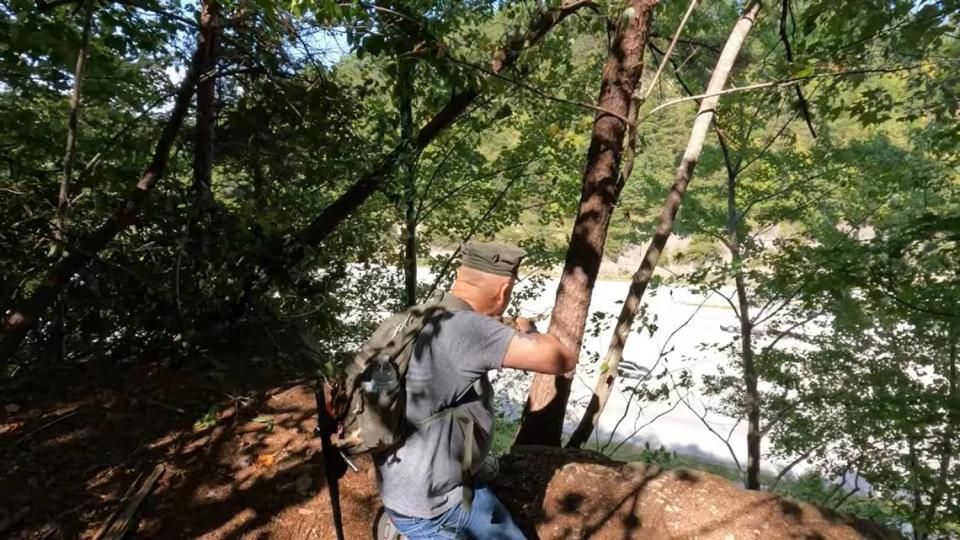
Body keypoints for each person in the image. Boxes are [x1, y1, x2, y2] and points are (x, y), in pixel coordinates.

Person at [375, 240, 577, 539]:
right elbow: (563, 359)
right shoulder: (469, 330)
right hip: (433, 506)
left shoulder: (414, 316)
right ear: (504, 290)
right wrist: (528, 330)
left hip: (398, 479)